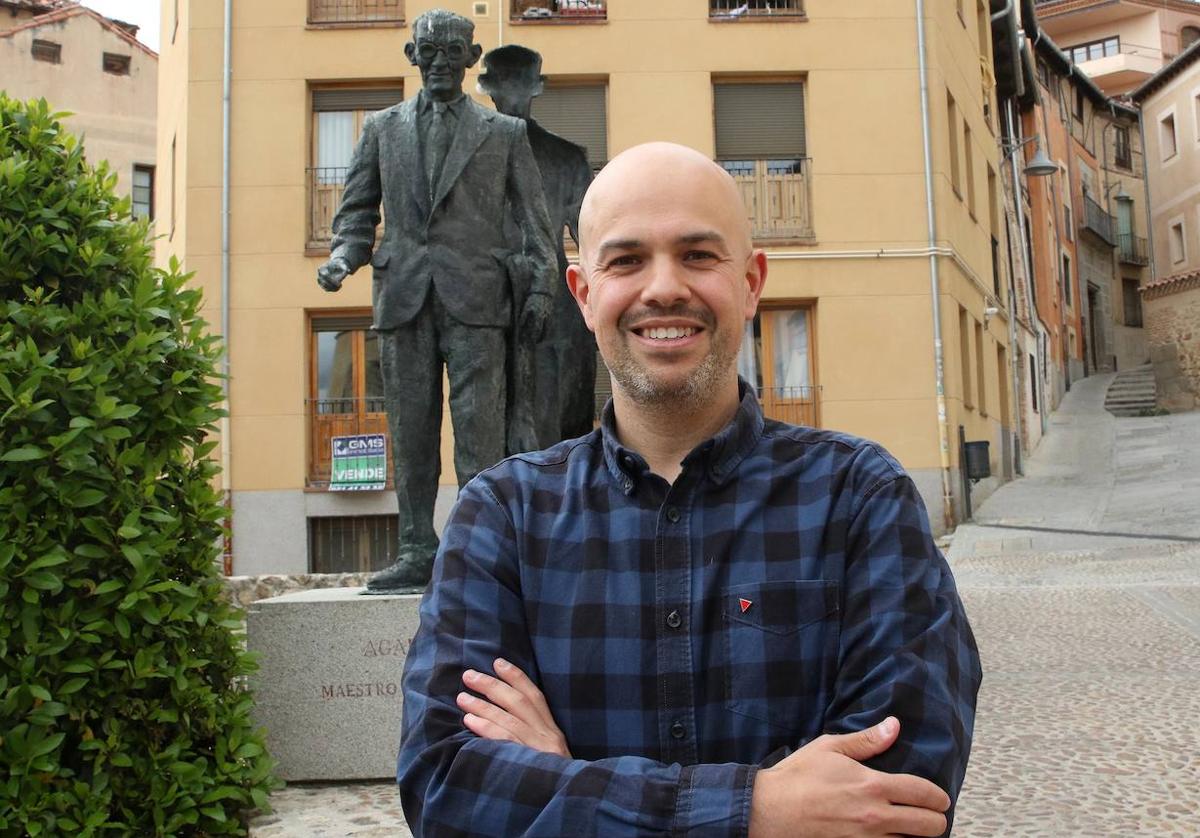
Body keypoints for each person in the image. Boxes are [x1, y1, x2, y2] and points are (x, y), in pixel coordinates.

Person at [397, 142, 982, 836]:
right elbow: (448, 787)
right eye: (626, 260)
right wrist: (758, 810)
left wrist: (565, 780)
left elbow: (900, 801)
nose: (663, 287)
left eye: (698, 255)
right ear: (584, 295)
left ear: (751, 282)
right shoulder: (503, 517)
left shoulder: (861, 500)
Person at [315, 9, 558, 592]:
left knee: (480, 436)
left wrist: (544, 286)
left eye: (454, 53)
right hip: (404, 297)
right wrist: (343, 260)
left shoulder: (504, 134)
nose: (441, 63)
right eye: (431, 52)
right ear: (412, 55)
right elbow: (355, 215)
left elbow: (536, 225)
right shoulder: (381, 129)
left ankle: (480, 548)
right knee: (412, 431)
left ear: (472, 59)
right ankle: (417, 548)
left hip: (479, 298)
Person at [479, 44, 597, 447]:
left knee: (559, 428)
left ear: (537, 88)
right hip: (486, 307)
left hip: (558, 315)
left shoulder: (567, 159)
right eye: (504, 85)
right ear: (487, 88)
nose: (511, 96)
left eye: (519, 85)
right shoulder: (470, 159)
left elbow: (595, 241)